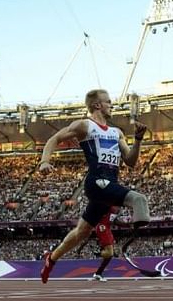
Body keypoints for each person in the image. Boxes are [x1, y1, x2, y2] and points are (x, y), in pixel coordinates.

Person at [39, 89, 151, 284]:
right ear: (97, 105)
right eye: (108, 102)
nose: (112, 105)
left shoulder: (117, 133)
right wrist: (44, 161)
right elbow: (53, 139)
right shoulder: (85, 125)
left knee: (81, 232)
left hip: (109, 187)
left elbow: (131, 161)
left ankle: (52, 258)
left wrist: (138, 140)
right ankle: (133, 238)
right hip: (97, 184)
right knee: (138, 199)